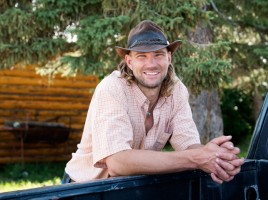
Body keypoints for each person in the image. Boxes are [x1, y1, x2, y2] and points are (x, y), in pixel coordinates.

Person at [63, 20, 244, 184]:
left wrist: (216, 158)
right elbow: (117, 163)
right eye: (142, 56)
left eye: (158, 54)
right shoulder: (112, 89)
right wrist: (196, 158)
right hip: (84, 189)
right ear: (129, 61)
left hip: (134, 186)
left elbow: (189, 144)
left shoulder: (177, 90)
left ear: (169, 58)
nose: (151, 64)